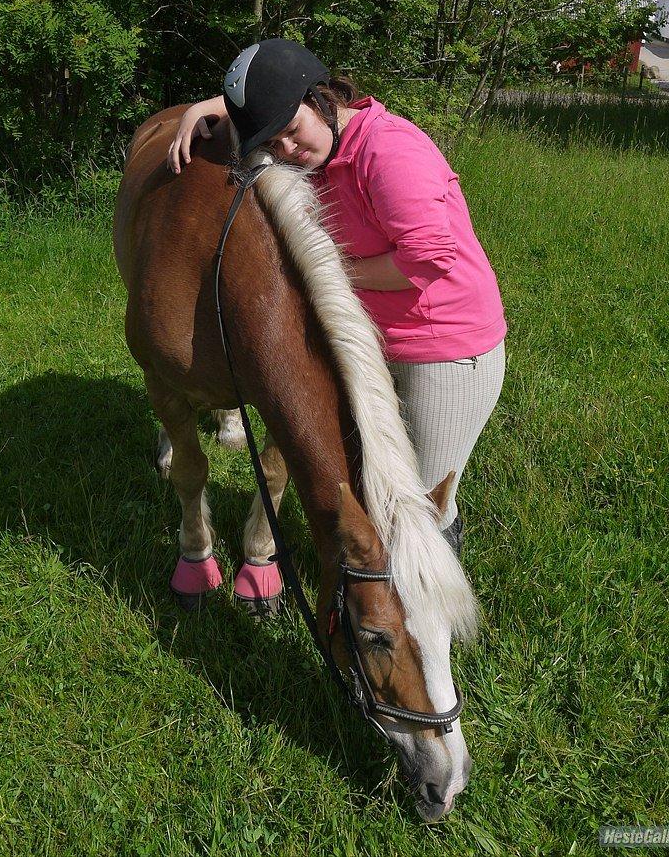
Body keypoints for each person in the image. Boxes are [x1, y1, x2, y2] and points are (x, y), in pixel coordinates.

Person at [167, 38, 506, 553]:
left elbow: (427, 259)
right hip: (373, 339)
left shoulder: (388, 151)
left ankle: (429, 620)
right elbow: (264, 111)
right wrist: (204, 108)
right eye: (273, 142)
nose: (288, 151)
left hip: (444, 350)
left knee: (419, 509)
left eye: (291, 131)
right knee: (372, 485)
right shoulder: (325, 142)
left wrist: (329, 275)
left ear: (322, 98)